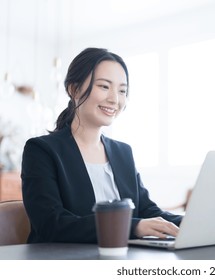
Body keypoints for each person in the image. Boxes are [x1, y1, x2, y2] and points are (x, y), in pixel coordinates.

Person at [21, 47, 182, 243]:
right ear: (74, 89)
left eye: (122, 90)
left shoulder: (123, 152)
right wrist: (132, 227)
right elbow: (51, 224)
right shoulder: (42, 150)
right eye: (104, 86)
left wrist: (191, 223)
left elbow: (147, 210)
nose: (115, 99)